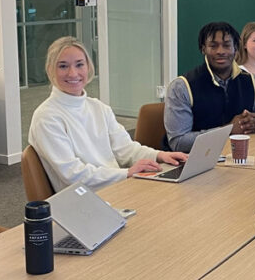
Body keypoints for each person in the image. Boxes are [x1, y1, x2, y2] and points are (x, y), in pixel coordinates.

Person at [29, 37, 188, 192]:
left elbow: (126, 150)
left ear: (88, 67)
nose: (73, 73)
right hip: (84, 200)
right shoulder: (46, 117)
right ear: (50, 70)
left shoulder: (98, 107)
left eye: (79, 65)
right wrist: (126, 173)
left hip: (116, 188)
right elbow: (73, 174)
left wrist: (161, 155)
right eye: (63, 66)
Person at [164, 21, 255, 152]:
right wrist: (228, 130)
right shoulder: (182, 87)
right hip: (192, 163)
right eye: (213, 46)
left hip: (238, 157)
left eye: (227, 45)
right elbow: (178, 142)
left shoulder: (252, 82)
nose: (220, 51)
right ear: (203, 49)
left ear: (236, 48)